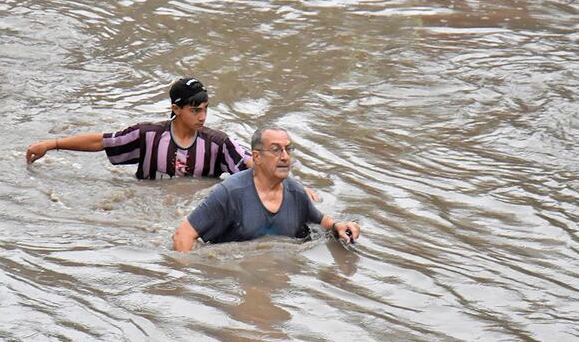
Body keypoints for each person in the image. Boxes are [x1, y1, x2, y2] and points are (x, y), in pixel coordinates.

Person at [173, 125, 360, 251]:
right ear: (256, 157)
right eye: (276, 150)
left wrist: (339, 227)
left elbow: (321, 222)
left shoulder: (296, 194)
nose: (285, 156)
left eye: (288, 149)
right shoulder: (230, 193)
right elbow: (183, 236)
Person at [26, 78, 251, 180]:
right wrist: (52, 144)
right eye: (195, 111)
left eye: (205, 109)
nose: (203, 117)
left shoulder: (218, 143)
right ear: (176, 109)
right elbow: (102, 142)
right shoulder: (148, 136)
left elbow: (251, 167)